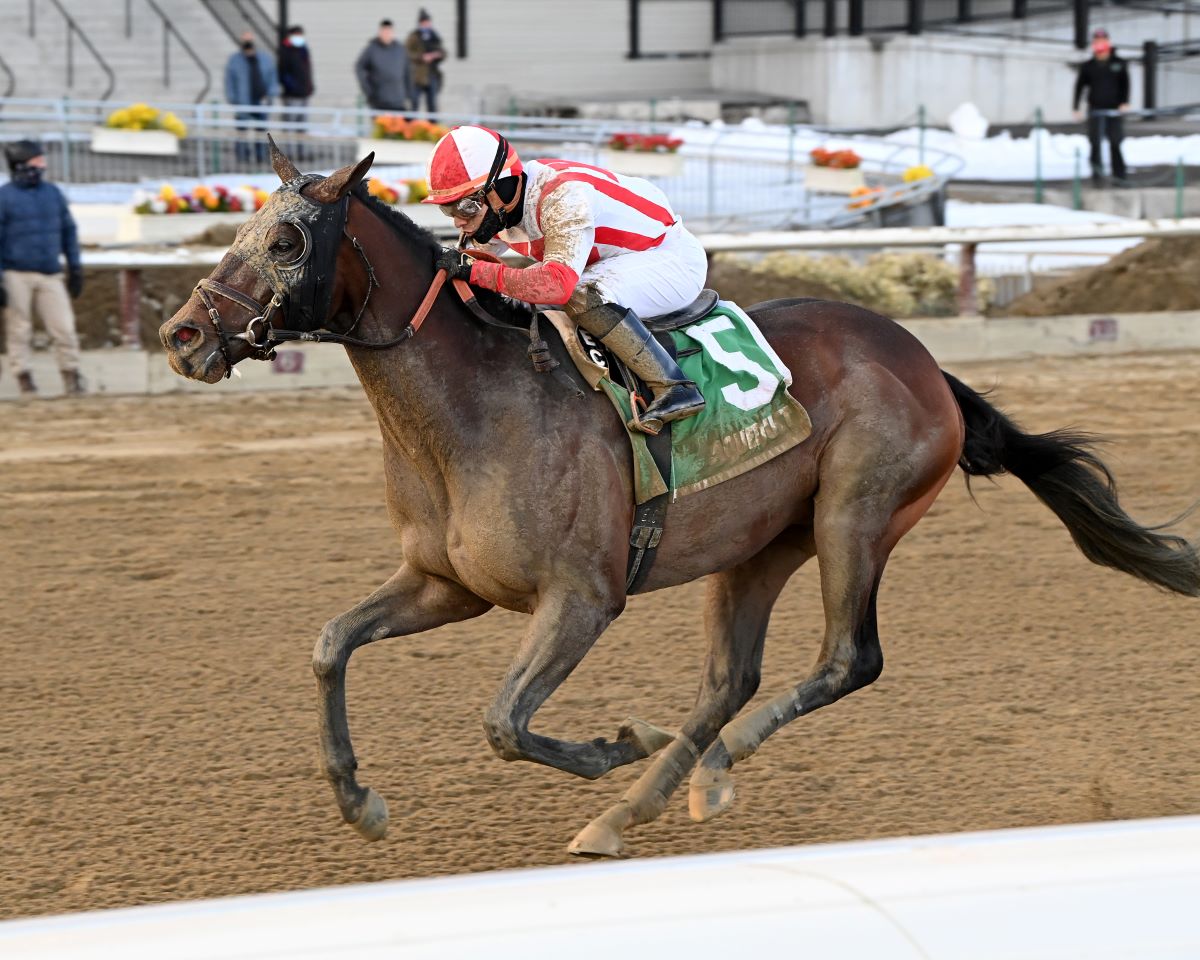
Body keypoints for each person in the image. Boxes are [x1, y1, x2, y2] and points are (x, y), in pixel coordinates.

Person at [424, 125, 705, 432]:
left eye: (465, 205)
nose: (457, 220)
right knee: (518, 290)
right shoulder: (501, 205)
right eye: (446, 208)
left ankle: (675, 387)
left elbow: (557, 285)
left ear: (498, 189)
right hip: (618, 260)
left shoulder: (562, 196)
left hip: (671, 260)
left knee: (582, 294)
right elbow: (474, 264)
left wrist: (475, 270)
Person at [0, 140, 85, 396]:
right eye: (37, 161)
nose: (42, 166)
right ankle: (24, 378)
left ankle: (71, 376)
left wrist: (75, 267)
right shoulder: (4, 197)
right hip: (16, 274)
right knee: (19, 329)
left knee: (64, 328)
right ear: (21, 164)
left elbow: (69, 231)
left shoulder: (53, 193)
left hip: (50, 273)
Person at [1073, 28, 1130, 185]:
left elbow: (1125, 84)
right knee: (1095, 143)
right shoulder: (1088, 66)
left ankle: (1120, 176)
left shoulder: (1118, 63)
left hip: (1114, 110)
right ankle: (1096, 176)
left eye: (1102, 41)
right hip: (1095, 110)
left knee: (1115, 142)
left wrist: (1124, 102)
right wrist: (1076, 107)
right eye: (1097, 42)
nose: (1100, 45)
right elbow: (1079, 86)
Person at [225, 31, 278, 164]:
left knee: (261, 131)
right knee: (242, 131)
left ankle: (261, 157)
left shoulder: (265, 59)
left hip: (261, 100)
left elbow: (272, 78)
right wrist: (233, 98)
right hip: (243, 101)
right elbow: (229, 81)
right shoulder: (235, 60)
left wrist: (271, 93)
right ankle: (242, 157)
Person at [355, 19, 413, 113]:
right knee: (381, 126)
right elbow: (359, 67)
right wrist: (368, 91)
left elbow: (407, 72)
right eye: (384, 31)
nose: (386, 34)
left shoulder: (400, 49)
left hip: (398, 100)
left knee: (399, 127)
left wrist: (409, 93)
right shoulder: (372, 49)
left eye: (389, 31)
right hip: (378, 101)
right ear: (380, 32)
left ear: (392, 32)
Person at [406, 8, 445, 114]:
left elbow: (443, 52)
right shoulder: (414, 37)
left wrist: (437, 55)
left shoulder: (434, 36)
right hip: (418, 76)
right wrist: (421, 57)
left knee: (432, 106)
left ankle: (432, 129)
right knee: (414, 103)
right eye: (424, 22)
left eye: (427, 22)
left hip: (432, 74)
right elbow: (408, 53)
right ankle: (410, 128)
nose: (426, 25)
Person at [278, 25, 314, 128]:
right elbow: (282, 72)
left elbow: (307, 70)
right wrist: (292, 87)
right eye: (296, 35)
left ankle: (301, 144)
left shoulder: (304, 50)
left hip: (304, 93)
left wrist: (309, 86)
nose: (299, 37)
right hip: (292, 95)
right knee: (290, 124)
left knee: (302, 125)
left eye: (300, 35)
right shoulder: (286, 51)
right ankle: (289, 144)